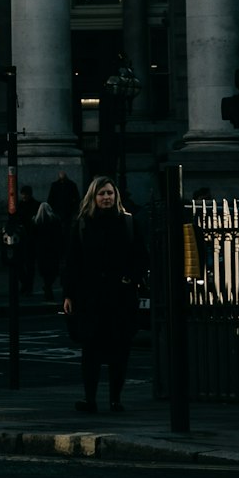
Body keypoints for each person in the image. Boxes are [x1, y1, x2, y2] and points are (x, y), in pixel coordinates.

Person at [61, 175, 147, 414]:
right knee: (91, 351)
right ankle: (90, 399)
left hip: (120, 297)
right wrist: (68, 294)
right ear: (93, 197)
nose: (106, 197)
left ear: (116, 196)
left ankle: (115, 400)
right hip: (90, 298)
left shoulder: (128, 223)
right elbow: (72, 262)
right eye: (102, 194)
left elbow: (141, 257)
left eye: (110, 193)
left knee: (120, 350)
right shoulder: (81, 223)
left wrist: (130, 276)